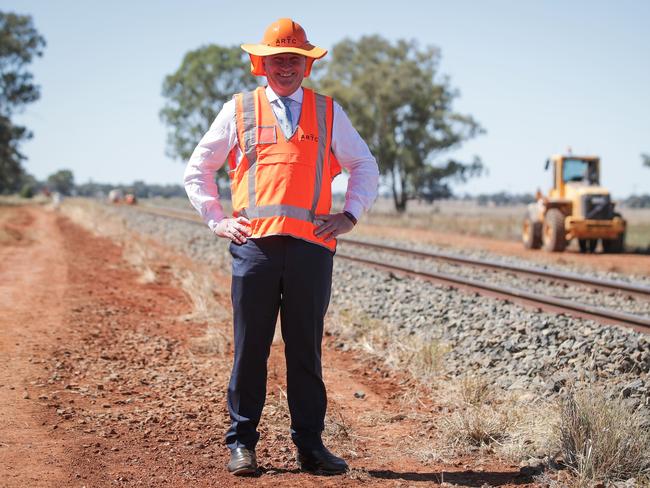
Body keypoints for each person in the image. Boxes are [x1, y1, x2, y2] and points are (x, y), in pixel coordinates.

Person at [184, 18, 378, 476]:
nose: (285, 67)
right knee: (250, 348)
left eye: (294, 59)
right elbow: (198, 169)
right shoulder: (239, 110)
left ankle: (310, 447)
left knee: (305, 351)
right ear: (261, 63)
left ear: (306, 65)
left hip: (312, 249)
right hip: (255, 249)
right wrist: (218, 220)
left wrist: (349, 214)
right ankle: (242, 445)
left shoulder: (329, 112)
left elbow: (363, 165)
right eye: (277, 59)